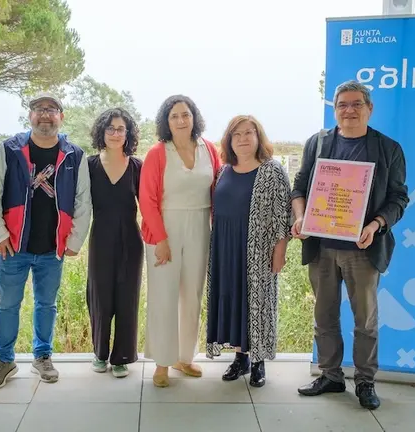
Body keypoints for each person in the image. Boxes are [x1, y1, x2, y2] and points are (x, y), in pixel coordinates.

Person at [292, 80, 409, 410]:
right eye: (342, 104)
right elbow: (299, 188)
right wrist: (300, 219)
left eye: (357, 104)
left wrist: (375, 224)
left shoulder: (388, 149)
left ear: (369, 109)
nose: (349, 110)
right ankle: (330, 375)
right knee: (324, 315)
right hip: (322, 247)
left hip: (363, 248)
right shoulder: (317, 144)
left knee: (365, 319)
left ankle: (365, 380)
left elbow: (399, 198)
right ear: (335, 109)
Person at [0, 93, 91, 389]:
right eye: (39, 109)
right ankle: (4, 360)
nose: (45, 115)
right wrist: (0, 234)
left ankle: (42, 356)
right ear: (29, 116)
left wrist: (75, 240)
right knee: (8, 305)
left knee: (46, 305)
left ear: (61, 116)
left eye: (52, 110)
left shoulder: (74, 155)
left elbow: (83, 201)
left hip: (52, 248)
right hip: (14, 246)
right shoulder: (9, 149)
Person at [139, 95, 221, 387]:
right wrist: (160, 239)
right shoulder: (158, 153)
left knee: (192, 295)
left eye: (185, 114)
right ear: (166, 121)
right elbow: (147, 200)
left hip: (200, 225)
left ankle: (184, 357)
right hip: (165, 227)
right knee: (164, 296)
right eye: (174, 116)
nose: (181, 120)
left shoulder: (209, 149)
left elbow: (218, 190)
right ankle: (162, 362)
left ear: (194, 117)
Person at [205, 115, 291, 388]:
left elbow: (283, 214)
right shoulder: (224, 170)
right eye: (237, 134)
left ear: (258, 137)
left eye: (248, 133)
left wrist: (281, 249)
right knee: (233, 301)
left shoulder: (272, 170)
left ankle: (258, 362)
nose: (243, 138)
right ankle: (240, 358)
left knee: (257, 304)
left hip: (258, 250)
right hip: (224, 248)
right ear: (229, 140)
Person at [85, 108, 144, 378]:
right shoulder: (89, 165)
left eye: (121, 129)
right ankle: (100, 353)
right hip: (101, 236)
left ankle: (121, 357)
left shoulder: (136, 166)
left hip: (131, 239)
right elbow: (79, 206)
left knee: (126, 297)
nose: (116, 134)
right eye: (111, 128)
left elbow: (151, 206)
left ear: (128, 133)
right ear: (102, 132)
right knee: (100, 296)